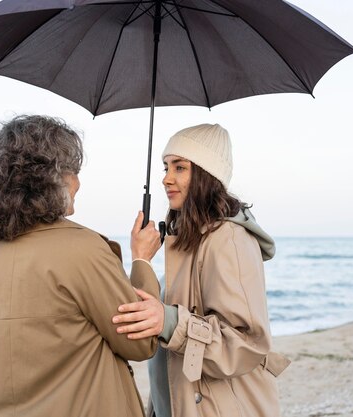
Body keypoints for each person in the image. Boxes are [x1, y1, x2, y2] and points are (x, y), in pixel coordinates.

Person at [0, 114, 162, 417]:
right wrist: (142, 260)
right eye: (74, 171)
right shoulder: (85, 251)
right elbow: (141, 342)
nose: (78, 182)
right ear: (54, 178)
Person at [113, 124, 290, 417]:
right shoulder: (188, 241)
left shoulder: (229, 239)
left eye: (180, 168)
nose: (167, 179)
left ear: (207, 176)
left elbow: (245, 344)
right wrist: (140, 258)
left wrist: (169, 322)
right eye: (166, 167)